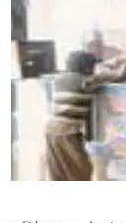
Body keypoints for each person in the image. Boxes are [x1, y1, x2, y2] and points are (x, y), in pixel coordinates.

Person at [45, 50, 106, 181]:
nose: (93, 70)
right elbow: (106, 78)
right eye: (92, 67)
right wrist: (124, 69)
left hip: (51, 130)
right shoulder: (83, 81)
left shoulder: (59, 79)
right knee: (80, 169)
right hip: (67, 132)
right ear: (86, 68)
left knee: (59, 170)